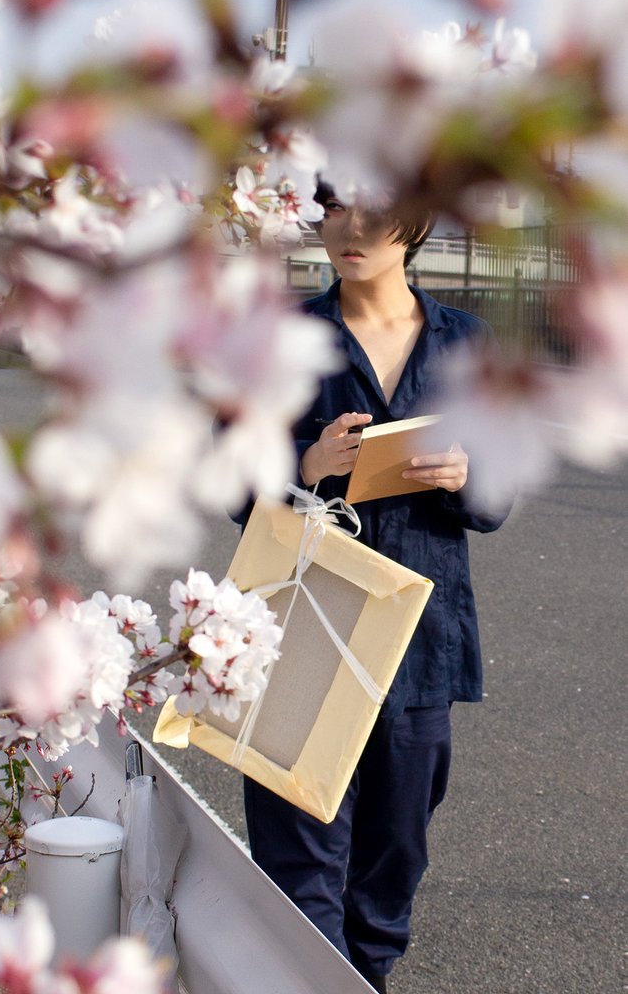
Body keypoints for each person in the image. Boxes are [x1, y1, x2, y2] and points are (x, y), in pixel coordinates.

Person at [243, 181, 510, 993]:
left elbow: (496, 500)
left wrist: (464, 473)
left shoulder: (465, 343)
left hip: (418, 637)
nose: (349, 228)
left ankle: (366, 977)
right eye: (332, 207)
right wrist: (305, 464)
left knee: (393, 858)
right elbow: (228, 476)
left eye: (374, 209)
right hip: (302, 627)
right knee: (298, 859)